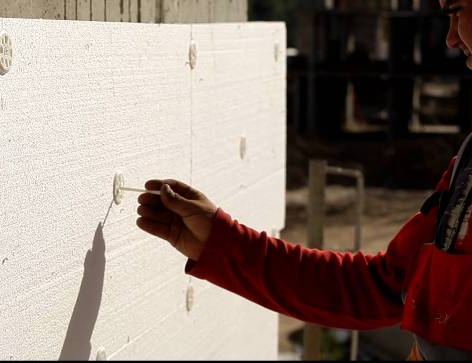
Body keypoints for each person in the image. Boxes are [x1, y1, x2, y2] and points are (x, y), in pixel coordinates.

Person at [135, 1, 472, 360]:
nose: (450, 38)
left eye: (457, 11)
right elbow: (379, 287)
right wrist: (220, 242)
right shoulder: (467, 164)